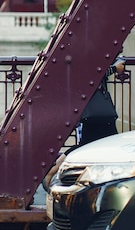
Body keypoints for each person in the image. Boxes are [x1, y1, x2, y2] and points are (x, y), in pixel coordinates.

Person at [43, 56, 126, 191]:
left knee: (90, 144)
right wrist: (114, 68)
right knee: (108, 143)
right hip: (97, 110)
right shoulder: (88, 51)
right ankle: (53, 171)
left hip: (92, 109)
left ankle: (54, 170)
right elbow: (91, 74)